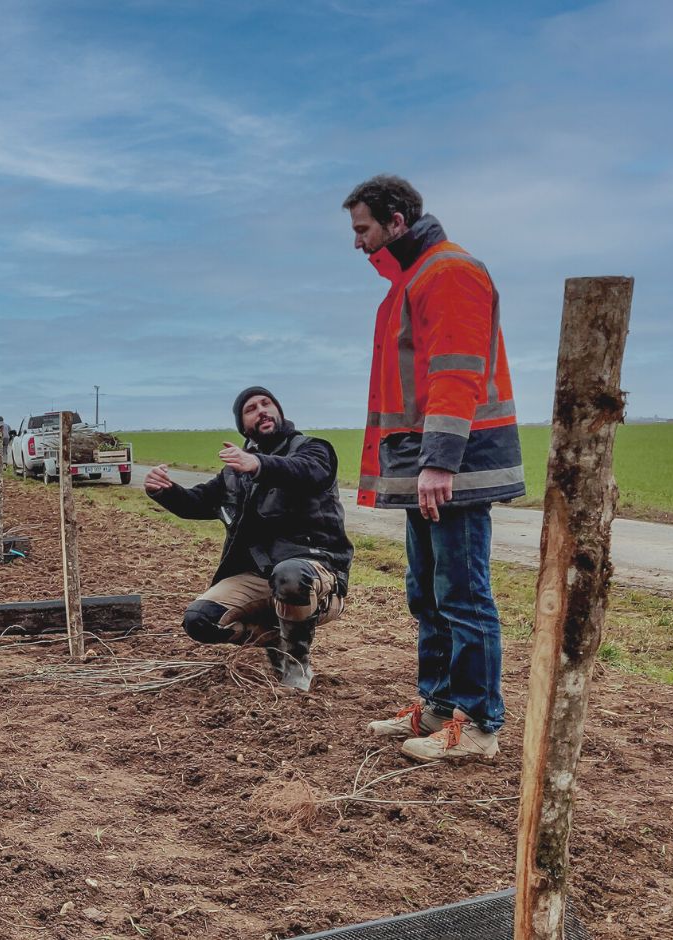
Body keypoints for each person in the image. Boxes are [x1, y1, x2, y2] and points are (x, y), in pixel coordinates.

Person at [344, 174, 524, 762]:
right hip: (429, 465)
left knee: (463, 595)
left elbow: (455, 371)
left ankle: (477, 725)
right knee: (427, 592)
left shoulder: (447, 272)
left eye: (363, 229)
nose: (358, 243)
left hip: (454, 468)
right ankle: (440, 705)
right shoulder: (413, 278)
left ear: (396, 221)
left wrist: (440, 461)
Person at [144, 387, 353, 691]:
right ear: (243, 426)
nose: (262, 410)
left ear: (279, 410)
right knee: (200, 621)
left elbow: (309, 472)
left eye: (267, 403)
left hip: (315, 570)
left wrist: (259, 465)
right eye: (251, 409)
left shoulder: (312, 449)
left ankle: (296, 664)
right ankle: (277, 638)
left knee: (290, 575)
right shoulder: (234, 472)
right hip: (258, 576)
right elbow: (197, 502)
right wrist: (164, 491)